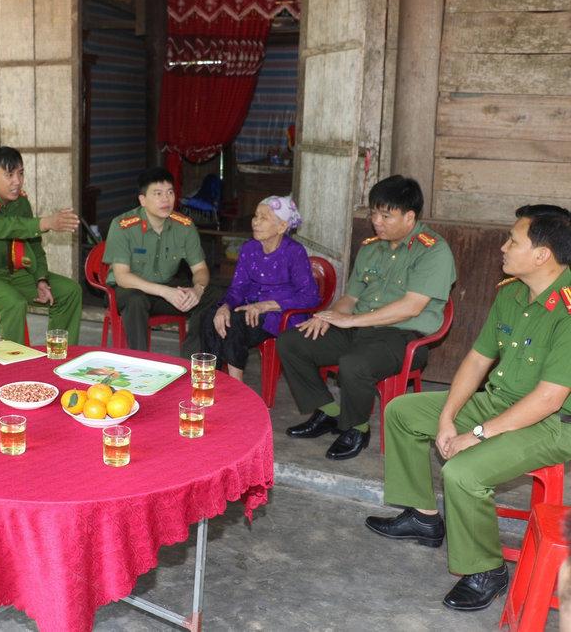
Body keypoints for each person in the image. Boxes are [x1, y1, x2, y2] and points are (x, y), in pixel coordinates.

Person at [366, 205, 571, 612]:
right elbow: (478, 360)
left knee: (461, 471)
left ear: (542, 255)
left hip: (553, 422)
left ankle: (486, 569)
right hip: (500, 402)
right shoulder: (512, 293)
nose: (503, 246)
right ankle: (425, 517)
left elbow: (548, 398)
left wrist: (475, 435)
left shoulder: (568, 309)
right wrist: (447, 416)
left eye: (513, 240)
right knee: (403, 412)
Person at [277, 175, 456, 460]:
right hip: (360, 329)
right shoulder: (372, 247)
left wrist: (350, 321)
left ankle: (357, 427)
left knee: (354, 364)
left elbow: (411, 307)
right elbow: (351, 299)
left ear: (410, 217)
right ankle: (328, 411)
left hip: (403, 337)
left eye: (386, 215)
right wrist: (330, 315)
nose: (377, 221)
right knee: (291, 341)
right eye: (374, 213)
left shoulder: (433, 250)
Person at [0, 146, 82, 345]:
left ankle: (61, 354)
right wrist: (45, 223)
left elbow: (33, 244)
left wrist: (41, 278)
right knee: (14, 303)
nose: (17, 181)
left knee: (69, 291)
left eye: (21, 173)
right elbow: (4, 227)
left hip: (16, 275)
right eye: (9, 175)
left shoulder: (20, 203)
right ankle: (12, 366)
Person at [200, 196, 319, 381]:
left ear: (282, 226)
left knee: (235, 325)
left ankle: (235, 388)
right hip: (250, 309)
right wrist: (224, 307)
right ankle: (210, 379)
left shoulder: (294, 252)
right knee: (210, 317)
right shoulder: (249, 248)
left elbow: (310, 296)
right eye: (256, 216)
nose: (256, 221)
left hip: (280, 314)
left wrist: (266, 306)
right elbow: (238, 288)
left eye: (264, 218)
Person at [102, 167, 217, 355]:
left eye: (170, 192)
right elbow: (122, 277)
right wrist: (166, 292)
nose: (166, 199)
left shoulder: (184, 226)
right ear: (143, 200)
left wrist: (197, 290)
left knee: (212, 295)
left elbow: (200, 269)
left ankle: (190, 360)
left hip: (166, 288)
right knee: (136, 301)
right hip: (128, 290)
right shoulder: (122, 225)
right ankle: (140, 361)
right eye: (158, 194)